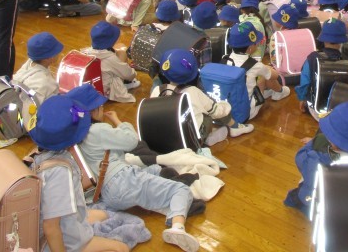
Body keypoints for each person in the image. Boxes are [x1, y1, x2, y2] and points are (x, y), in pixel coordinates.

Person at [66, 84, 201, 252]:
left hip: (106, 192)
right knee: (181, 190)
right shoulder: (97, 130)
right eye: (100, 106)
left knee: (153, 170)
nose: (103, 108)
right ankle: (177, 228)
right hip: (123, 180)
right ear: (92, 112)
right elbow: (131, 141)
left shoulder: (72, 137)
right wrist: (118, 121)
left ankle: (164, 194)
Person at [27, 95, 130, 252]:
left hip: (65, 221)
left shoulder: (37, 154)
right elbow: (51, 227)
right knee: (121, 248)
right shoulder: (60, 173)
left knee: (102, 215)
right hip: (68, 240)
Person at [283, 101, 348, 216]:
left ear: (332, 140)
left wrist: (313, 143)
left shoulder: (317, 159)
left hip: (322, 202)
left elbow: (300, 158)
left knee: (294, 197)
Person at [152, 49, 254, 142]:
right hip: (191, 138)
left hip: (167, 137)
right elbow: (217, 112)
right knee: (212, 110)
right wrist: (224, 105)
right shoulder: (193, 92)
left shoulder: (157, 90)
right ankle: (233, 127)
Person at [227, 22, 290, 114]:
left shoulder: (225, 59)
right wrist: (267, 67)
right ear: (250, 47)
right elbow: (275, 76)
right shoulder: (255, 65)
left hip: (230, 108)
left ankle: (267, 91)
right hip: (248, 111)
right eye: (256, 43)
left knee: (256, 75)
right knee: (264, 75)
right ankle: (280, 91)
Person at [295, 19, 348, 113]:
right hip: (338, 109)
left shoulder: (312, 58)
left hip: (316, 109)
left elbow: (305, 82)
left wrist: (302, 98)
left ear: (323, 38)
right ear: (341, 41)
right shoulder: (346, 60)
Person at [13, 31, 63, 127]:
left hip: (20, 111)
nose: (59, 54)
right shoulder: (45, 82)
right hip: (36, 121)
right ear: (48, 58)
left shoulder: (29, 63)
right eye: (56, 52)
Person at [82, 21, 139, 103]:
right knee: (122, 53)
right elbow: (129, 74)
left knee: (120, 52)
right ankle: (125, 84)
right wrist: (133, 73)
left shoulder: (86, 52)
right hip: (106, 91)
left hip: (93, 87)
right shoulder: (110, 59)